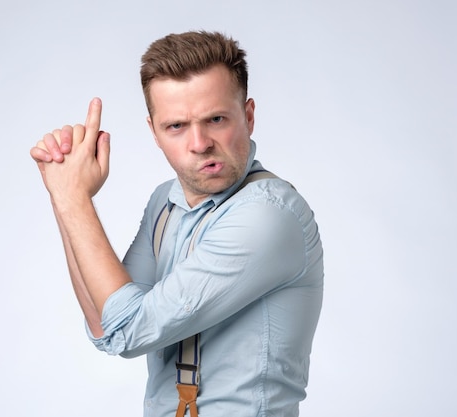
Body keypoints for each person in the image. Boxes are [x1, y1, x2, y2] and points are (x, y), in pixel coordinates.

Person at [30, 31, 323, 417]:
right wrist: (61, 192)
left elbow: (130, 330)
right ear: (154, 132)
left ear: (249, 116)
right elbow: (106, 327)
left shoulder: (268, 214)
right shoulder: (165, 204)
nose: (199, 143)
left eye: (216, 119)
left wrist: (75, 198)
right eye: (177, 127)